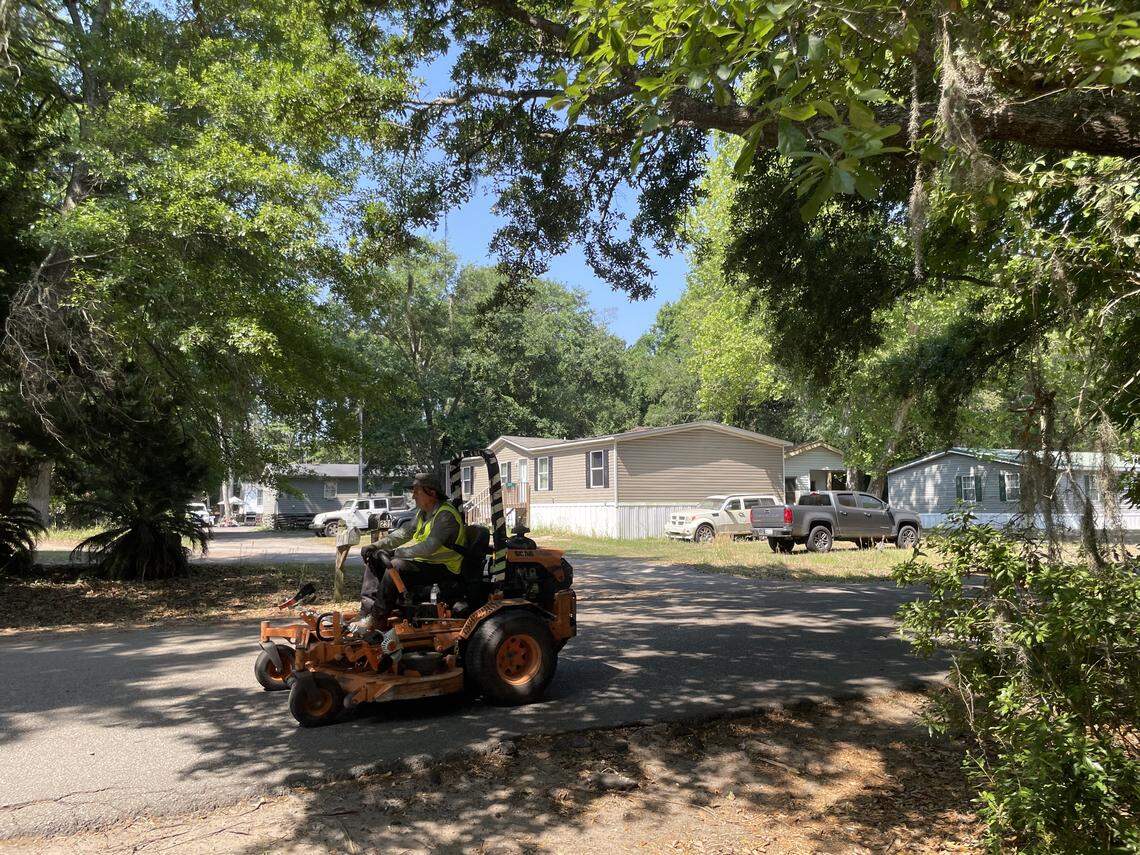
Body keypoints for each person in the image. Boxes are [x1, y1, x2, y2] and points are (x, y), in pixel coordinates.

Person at [350, 472, 467, 634]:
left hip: (444, 569)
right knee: (375, 559)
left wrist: (395, 553)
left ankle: (378, 618)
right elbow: (403, 533)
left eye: (417, 491)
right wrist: (375, 546)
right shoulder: (423, 513)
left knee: (395, 565)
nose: (413, 496)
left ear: (431, 493)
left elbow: (429, 547)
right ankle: (367, 611)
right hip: (427, 564)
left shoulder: (445, 515)